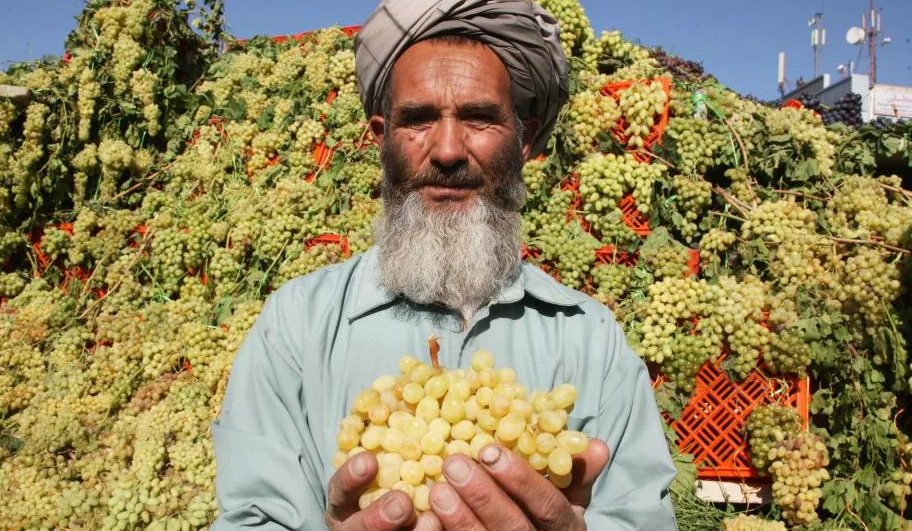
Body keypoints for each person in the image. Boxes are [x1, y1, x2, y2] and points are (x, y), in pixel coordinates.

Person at [210, 1, 678, 530]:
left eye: (479, 118)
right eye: (418, 120)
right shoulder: (296, 326)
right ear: (381, 137)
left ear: (524, 140)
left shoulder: (592, 339)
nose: (449, 150)